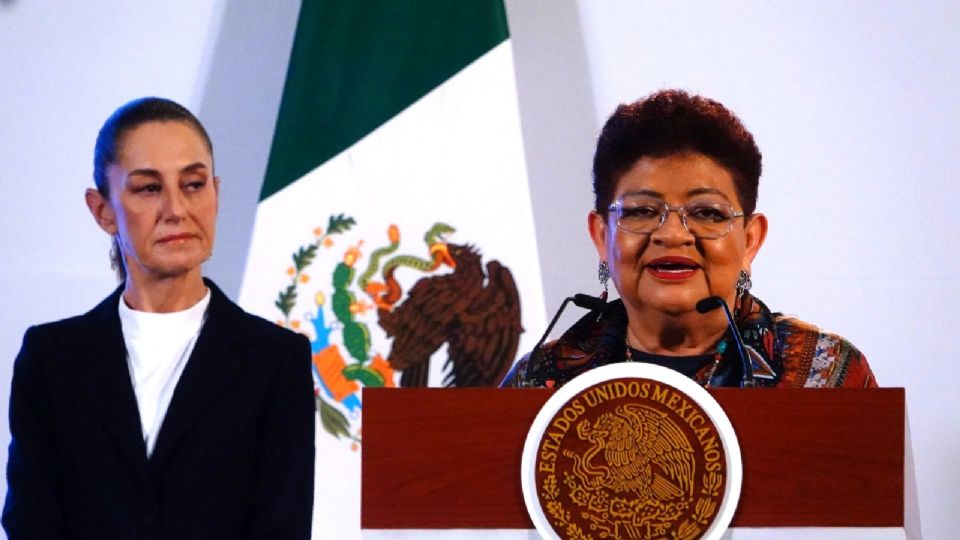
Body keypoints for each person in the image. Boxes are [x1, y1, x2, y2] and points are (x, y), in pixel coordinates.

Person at [2, 98, 315, 539]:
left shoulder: (275, 360)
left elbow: (281, 526)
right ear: (103, 210)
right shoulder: (51, 358)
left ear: (216, 194)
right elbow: (30, 522)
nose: (176, 209)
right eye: (149, 188)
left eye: (193, 184)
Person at [502, 89, 876, 389]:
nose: (672, 234)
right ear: (602, 236)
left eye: (707, 213)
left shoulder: (826, 377)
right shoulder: (541, 382)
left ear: (750, 240)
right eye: (641, 211)